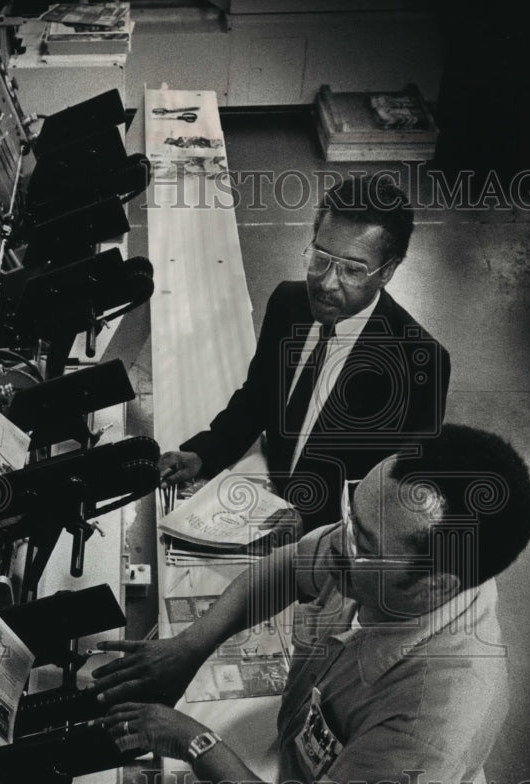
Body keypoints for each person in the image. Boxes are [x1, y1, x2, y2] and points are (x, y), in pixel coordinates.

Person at [93, 424, 530, 784]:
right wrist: (189, 647)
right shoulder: (381, 546)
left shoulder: (439, 715)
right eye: (352, 515)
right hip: (309, 766)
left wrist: (195, 742)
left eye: (364, 545)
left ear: (435, 585)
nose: (339, 544)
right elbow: (290, 565)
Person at [159, 174, 451, 532]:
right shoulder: (288, 302)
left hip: (330, 535)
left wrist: (314, 522)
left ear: (387, 271)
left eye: (352, 270)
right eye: (321, 257)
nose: (327, 283)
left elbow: (396, 488)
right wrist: (206, 452)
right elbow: (259, 397)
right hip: (266, 495)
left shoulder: (420, 361)